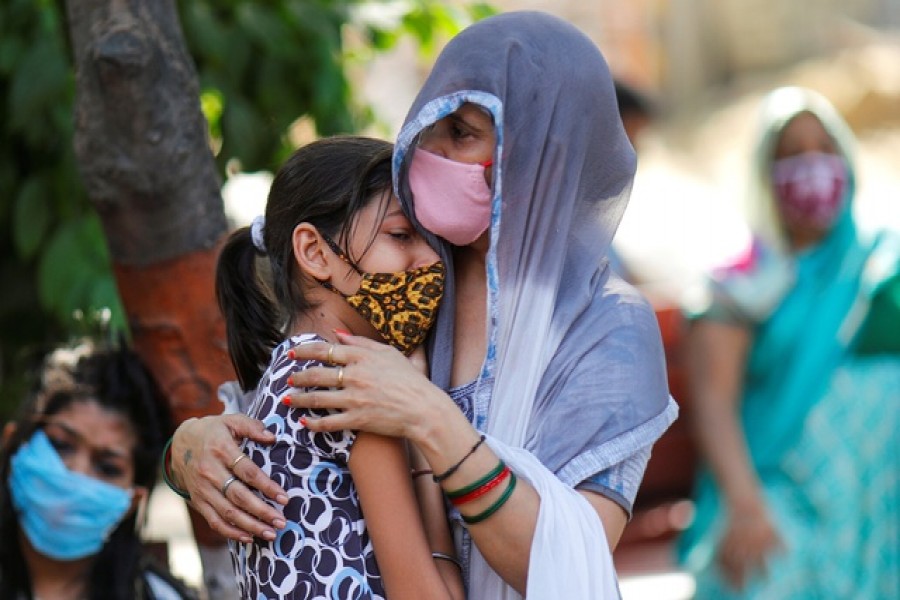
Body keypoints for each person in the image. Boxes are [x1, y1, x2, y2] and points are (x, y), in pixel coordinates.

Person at [168, 11, 677, 598]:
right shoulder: (409, 281)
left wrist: (429, 418)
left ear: (539, 154)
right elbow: (288, 429)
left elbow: (567, 568)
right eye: (432, 124)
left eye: (460, 134)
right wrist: (187, 449)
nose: (423, 151)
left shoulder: (606, 330)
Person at [166, 136, 464, 599]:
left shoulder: (289, 370)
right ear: (314, 252)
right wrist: (424, 427)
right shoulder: (348, 381)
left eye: (433, 242)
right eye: (401, 236)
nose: (430, 261)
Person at [677, 86, 900, 599]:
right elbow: (714, 402)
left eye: (824, 150)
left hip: (873, 508)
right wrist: (746, 507)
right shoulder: (743, 283)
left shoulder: (874, 266)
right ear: (765, 174)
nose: (812, 165)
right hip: (771, 493)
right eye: (792, 155)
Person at [0, 340, 196, 600]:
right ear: (12, 446)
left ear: (132, 502)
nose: (77, 473)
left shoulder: (157, 595)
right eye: (60, 445)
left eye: (107, 467)